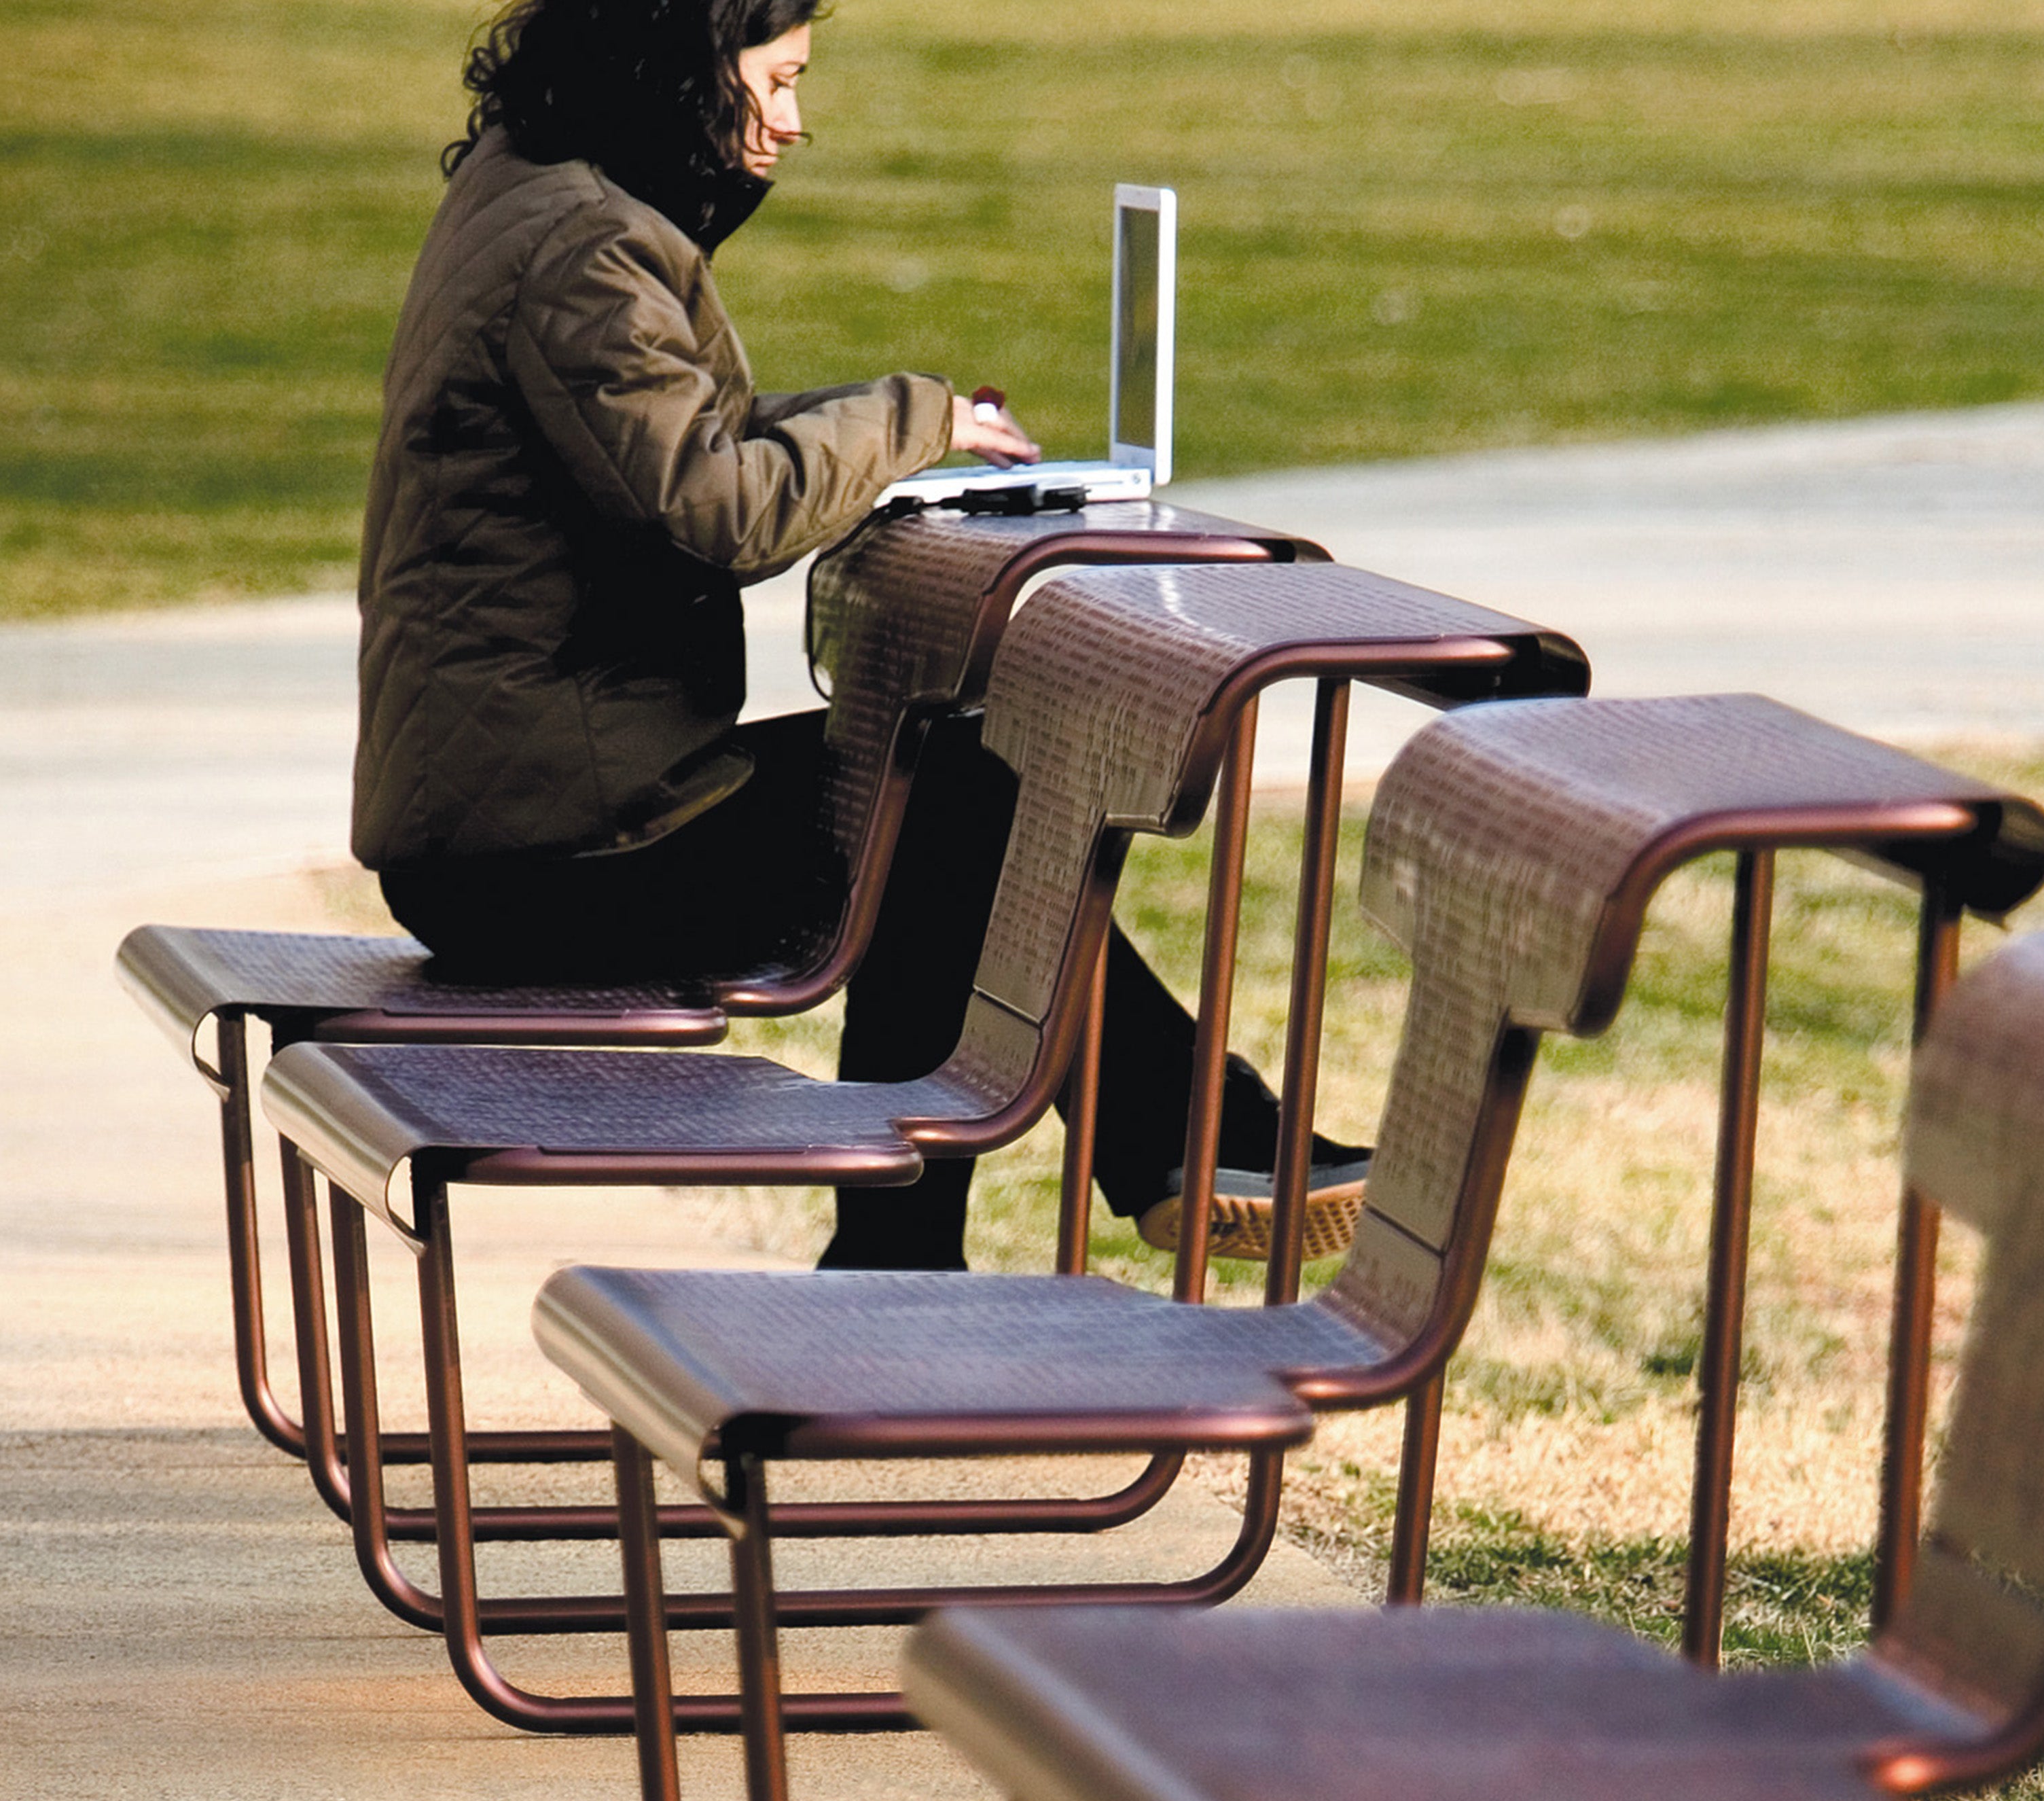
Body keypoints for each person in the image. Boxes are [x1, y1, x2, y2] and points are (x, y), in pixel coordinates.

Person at [352, 0, 1363, 1270]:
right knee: (950, 811)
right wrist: (903, 415)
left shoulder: (532, 192)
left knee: (951, 797)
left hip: (520, 821)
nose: (787, 122)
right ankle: (1133, 1162)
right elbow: (713, 510)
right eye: (771, 84)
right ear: (675, 69)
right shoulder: (589, 243)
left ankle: (1149, 1155)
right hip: (546, 861)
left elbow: (651, 441)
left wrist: (888, 427)